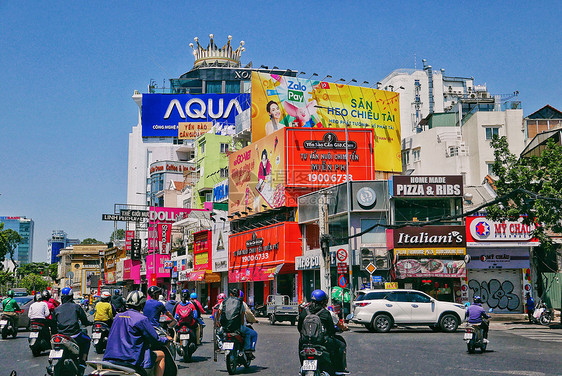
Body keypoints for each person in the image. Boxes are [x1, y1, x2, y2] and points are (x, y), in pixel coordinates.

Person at [104, 291, 171, 376]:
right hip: (131, 360)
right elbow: (155, 339)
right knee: (161, 355)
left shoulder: (117, 317)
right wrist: (166, 339)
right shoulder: (141, 319)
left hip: (110, 359)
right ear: (142, 305)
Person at [298, 289, 348, 374]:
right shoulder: (325, 313)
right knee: (341, 344)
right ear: (323, 301)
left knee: (300, 347)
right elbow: (331, 330)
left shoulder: (304, 312)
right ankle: (339, 369)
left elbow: (299, 328)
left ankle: (302, 365)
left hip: (305, 341)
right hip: (322, 342)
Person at [53, 287, 92, 376]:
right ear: (71, 297)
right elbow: (84, 320)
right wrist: (88, 323)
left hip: (60, 336)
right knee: (87, 340)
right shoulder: (76, 307)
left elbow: (53, 324)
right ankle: (82, 363)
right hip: (74, 335)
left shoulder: (57, 309)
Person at [217, 288, 258, 360]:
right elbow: (243, 316)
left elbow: (219, 312)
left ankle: (221, 346)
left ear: (230, 294)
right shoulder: (240, 303)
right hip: (237, 327)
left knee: (218, 333)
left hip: (225, 327)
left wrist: (218, 321)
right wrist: (241, 325)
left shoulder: (224, 302)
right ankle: (248, 349)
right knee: (253, 333)